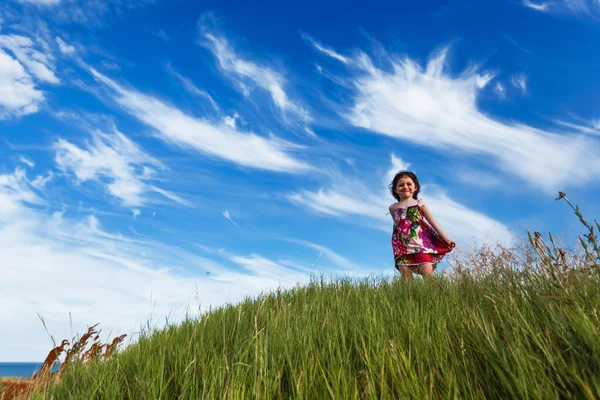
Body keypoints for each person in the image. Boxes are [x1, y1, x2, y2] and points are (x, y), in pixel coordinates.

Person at [388, 171, 455, 281]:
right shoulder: (393, 208)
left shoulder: (420, 204)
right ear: (395, 189)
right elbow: (398, 227)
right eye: (401, 185)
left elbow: (433, 222)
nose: (405, 187)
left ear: (415, 187)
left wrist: (446, 239)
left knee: (428, 275)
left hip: (421, 245)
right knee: (406, 279)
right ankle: (409, 298)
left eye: (409, 184)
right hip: (401, 247)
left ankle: (437, 297)